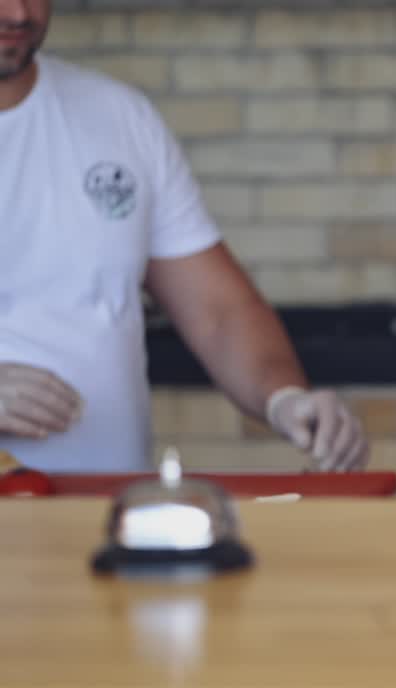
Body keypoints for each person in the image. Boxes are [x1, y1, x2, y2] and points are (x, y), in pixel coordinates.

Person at [0, 0, 368, 472]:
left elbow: (219, 313)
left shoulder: (118, 118)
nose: (18, 12)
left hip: (109, 502)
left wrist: (285, 398)